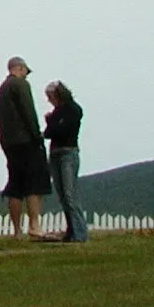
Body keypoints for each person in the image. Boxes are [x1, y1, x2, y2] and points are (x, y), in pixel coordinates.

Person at [0, 56, 52, 239]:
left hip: (9, 144)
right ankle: (34, 225)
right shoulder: (20, 85)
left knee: (15, 185)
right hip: (26, 142)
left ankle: (17, 230)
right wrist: (37, 136)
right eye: (26, 71)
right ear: (19, 68)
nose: (26, 75)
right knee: (35, 183)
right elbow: (28, 111)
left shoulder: (0, 92)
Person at [44, 80, 88, 242]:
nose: (49, 100)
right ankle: (72, 231)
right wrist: (52, 124)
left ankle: (80, 233)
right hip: (56, 152)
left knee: (70, 194)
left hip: (68, 153)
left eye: (50, 96)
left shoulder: (73, 109)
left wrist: (51, 123)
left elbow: (61, 131)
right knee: (63, 195)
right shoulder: (57, 113)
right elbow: (51, 133)